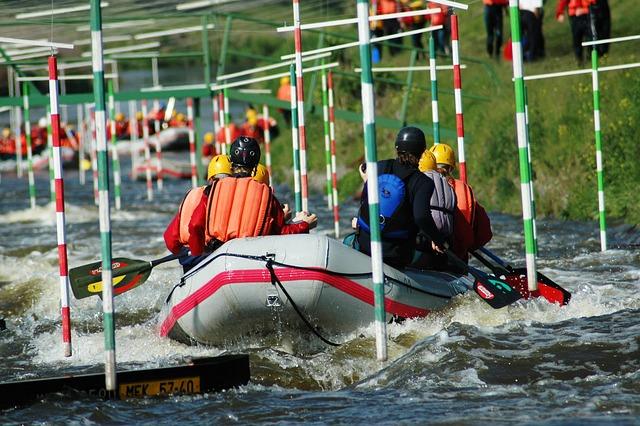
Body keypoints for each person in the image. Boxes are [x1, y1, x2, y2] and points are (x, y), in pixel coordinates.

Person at [355, 127, 447, 269]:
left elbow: (364, 199)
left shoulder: (379, 166)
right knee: (432, 258)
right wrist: (438, 240)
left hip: (364, 244)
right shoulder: (423, 182)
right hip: (395, 255)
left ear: (397, 147)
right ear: (422, 152)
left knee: (348, 240)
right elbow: (421, 217)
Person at [164, 154, 233, 272]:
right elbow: (196, 224)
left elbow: (169, 238)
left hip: (187, 256)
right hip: (203, 255)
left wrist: (181, 252)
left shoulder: (193, 195)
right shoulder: (223, 197)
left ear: (210, 178)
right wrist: (197, 252)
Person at [429, 143, 492, 263]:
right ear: (451, 168)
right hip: (459, 258)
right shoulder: (464, 189)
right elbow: (485, 233)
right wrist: (469, 248)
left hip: (431, 256)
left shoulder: (424, 185)